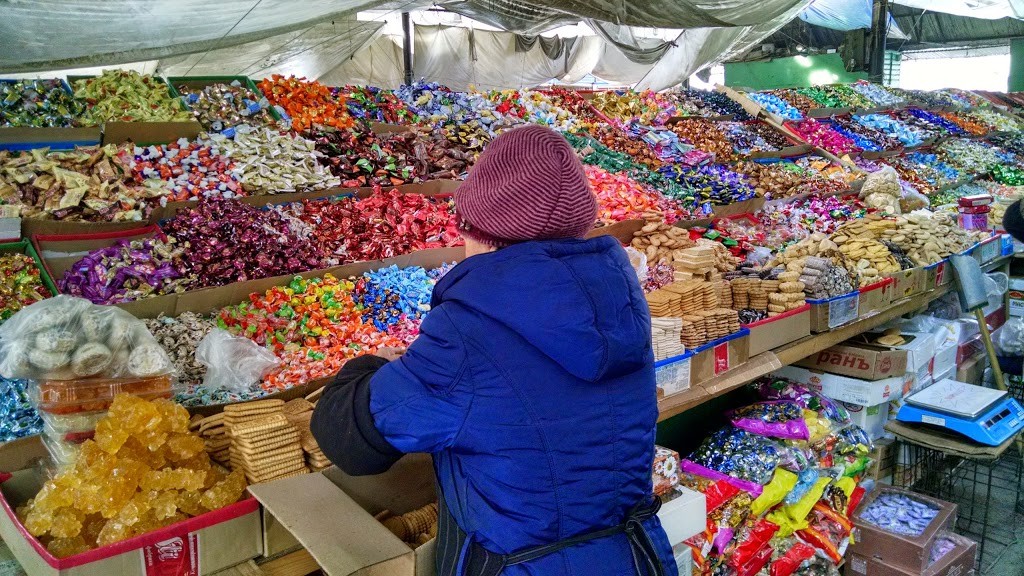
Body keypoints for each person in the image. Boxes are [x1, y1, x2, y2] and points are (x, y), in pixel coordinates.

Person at [311, 124, 675, 576]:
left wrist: (375, 364)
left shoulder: (466, 334)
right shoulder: (621, 300)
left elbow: (349, 441)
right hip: (634, 557)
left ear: (478, 230)